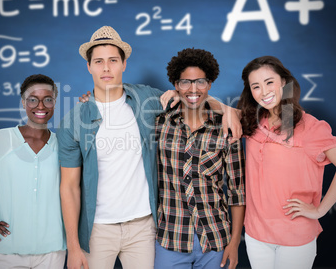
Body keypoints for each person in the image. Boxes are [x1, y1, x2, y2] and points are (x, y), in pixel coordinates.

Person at [57, 26, 242, 269]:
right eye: (98, 61)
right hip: (97, 229)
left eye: (113, 60)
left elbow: (191, 95)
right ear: (89, 66)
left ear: (124, 64)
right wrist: (73, 246)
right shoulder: (73, 121)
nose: (105, 68)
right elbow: (69, 187)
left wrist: (226, 109)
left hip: (144, 228)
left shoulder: (148, 100)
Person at [236, 56, 336, 269]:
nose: (264, 92)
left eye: (269, 82)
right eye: (256, 86)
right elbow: (215, 107)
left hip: (295, 237)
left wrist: (319, 211)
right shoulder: (251, 121)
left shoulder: (310, 127)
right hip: (256, 235)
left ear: (284, 82)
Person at [0, 74, 66, 269]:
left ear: (54, 103)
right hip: (9, 252)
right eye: (33, 99)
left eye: (47, 99)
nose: (40, 106)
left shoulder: (64, 145)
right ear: (23, 102)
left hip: (53, 251)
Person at [154, 48, 245, 269]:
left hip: (215, 240)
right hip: (170, 240)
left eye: (200, 82)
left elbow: (237, 192)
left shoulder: (226, 128)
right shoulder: (160, 123)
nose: (193, 89)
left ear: (210, 84)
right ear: (176, 84)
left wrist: (234, 243)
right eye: (185, 82)